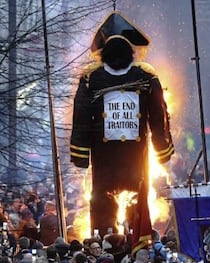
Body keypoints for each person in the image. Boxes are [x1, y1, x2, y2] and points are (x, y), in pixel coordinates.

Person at [70, 11, 174, 253]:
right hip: (132, 157)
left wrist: (80, 155)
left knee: (107, 201)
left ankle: (106, 245)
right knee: (126, 201)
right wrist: (162, 150)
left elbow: (81, 117)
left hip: (106, 157)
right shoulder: (144, 76)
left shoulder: (92, 78)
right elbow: (159, 117)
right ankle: (124, 243)